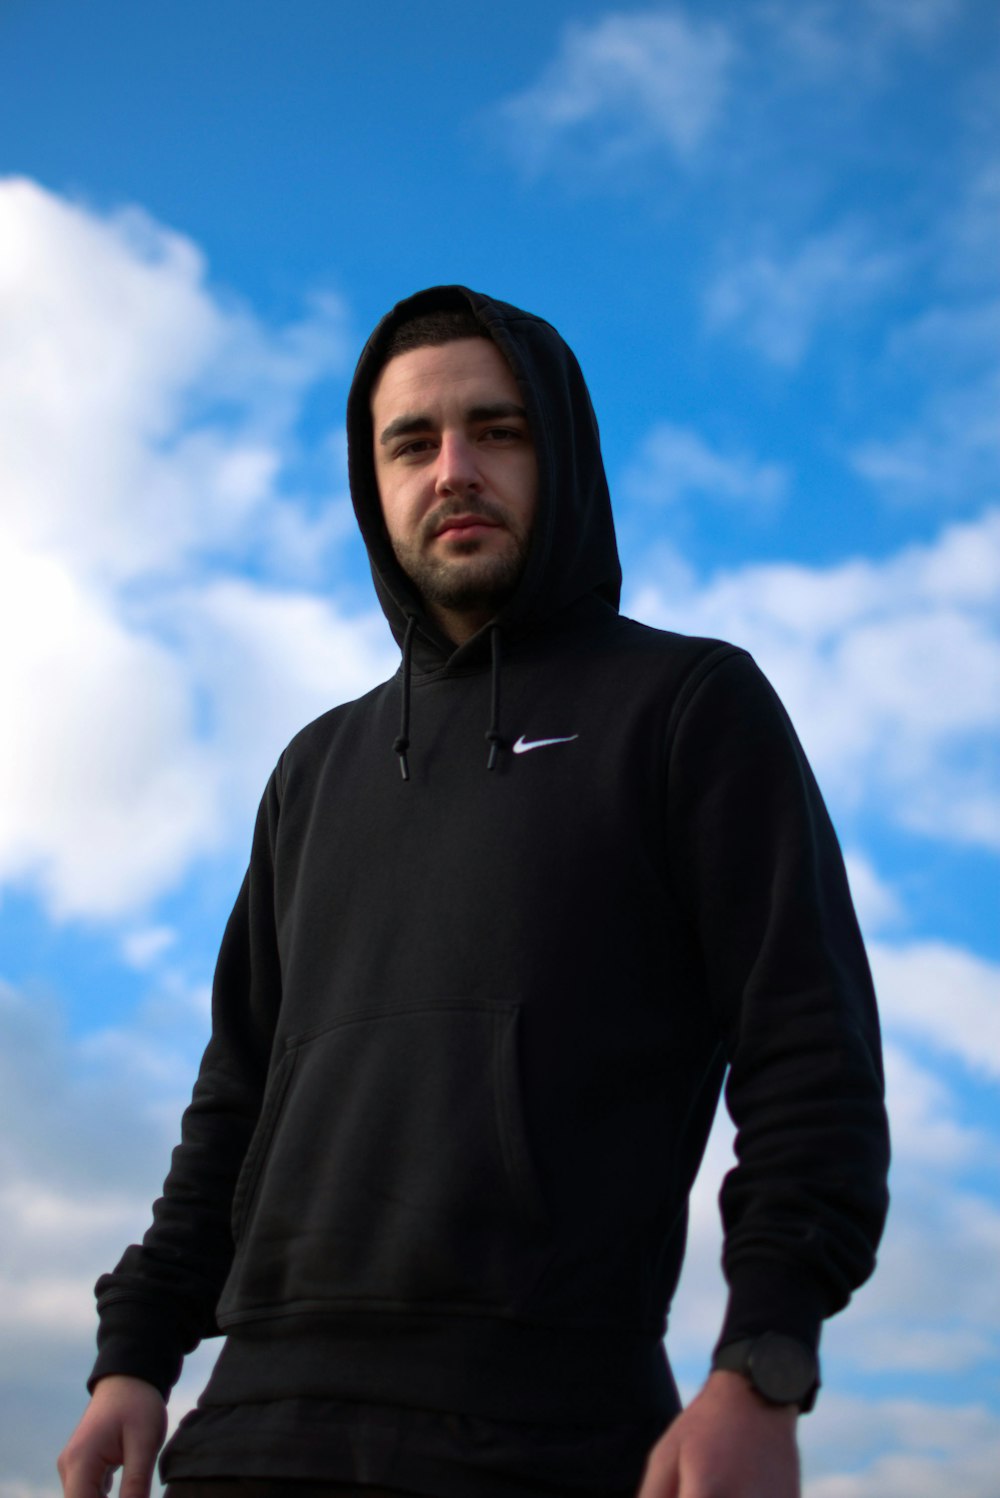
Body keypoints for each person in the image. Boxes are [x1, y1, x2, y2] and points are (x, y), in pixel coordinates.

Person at [58, 287, 890, 1498]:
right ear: (372, 480)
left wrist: (761, 1364)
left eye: (496, 431)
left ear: (561, 454)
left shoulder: (690, 708)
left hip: (545, 1434)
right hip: (252, 1431)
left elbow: (808, 1049)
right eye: (413, 442)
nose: (454, 469)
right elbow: (237, 1098)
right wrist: (132, 1356)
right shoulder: (313, 768)